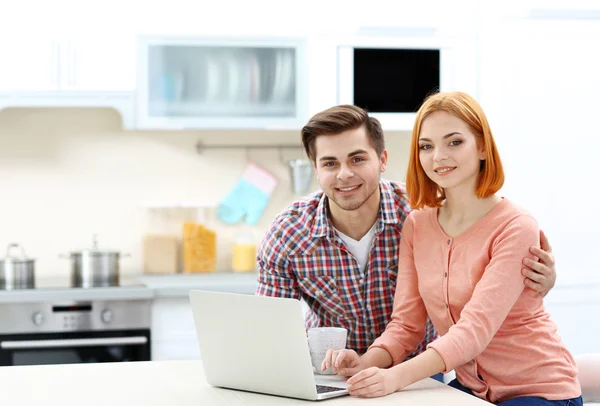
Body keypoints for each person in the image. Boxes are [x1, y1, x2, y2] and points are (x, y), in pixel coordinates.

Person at [256, 104, 557, 379]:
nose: (344, 174)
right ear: (317, 170)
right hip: (332, 373)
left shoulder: (422, 213)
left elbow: (485, 257)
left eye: (357, 159)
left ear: (382, 159)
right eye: (330, 164)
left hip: (418, 370)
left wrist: (537, 279)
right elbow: (269, 328)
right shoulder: (288, 233)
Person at [322, 92, 581, 405]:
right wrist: (368, 362)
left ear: (483, 146)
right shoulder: (417, 224)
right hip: (471, 389)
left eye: (454, 142)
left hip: (538, 389)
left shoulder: (515, 226)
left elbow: (473, 331)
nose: (438, 156)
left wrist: (395, 376)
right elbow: (406, 325)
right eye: (426, 146)